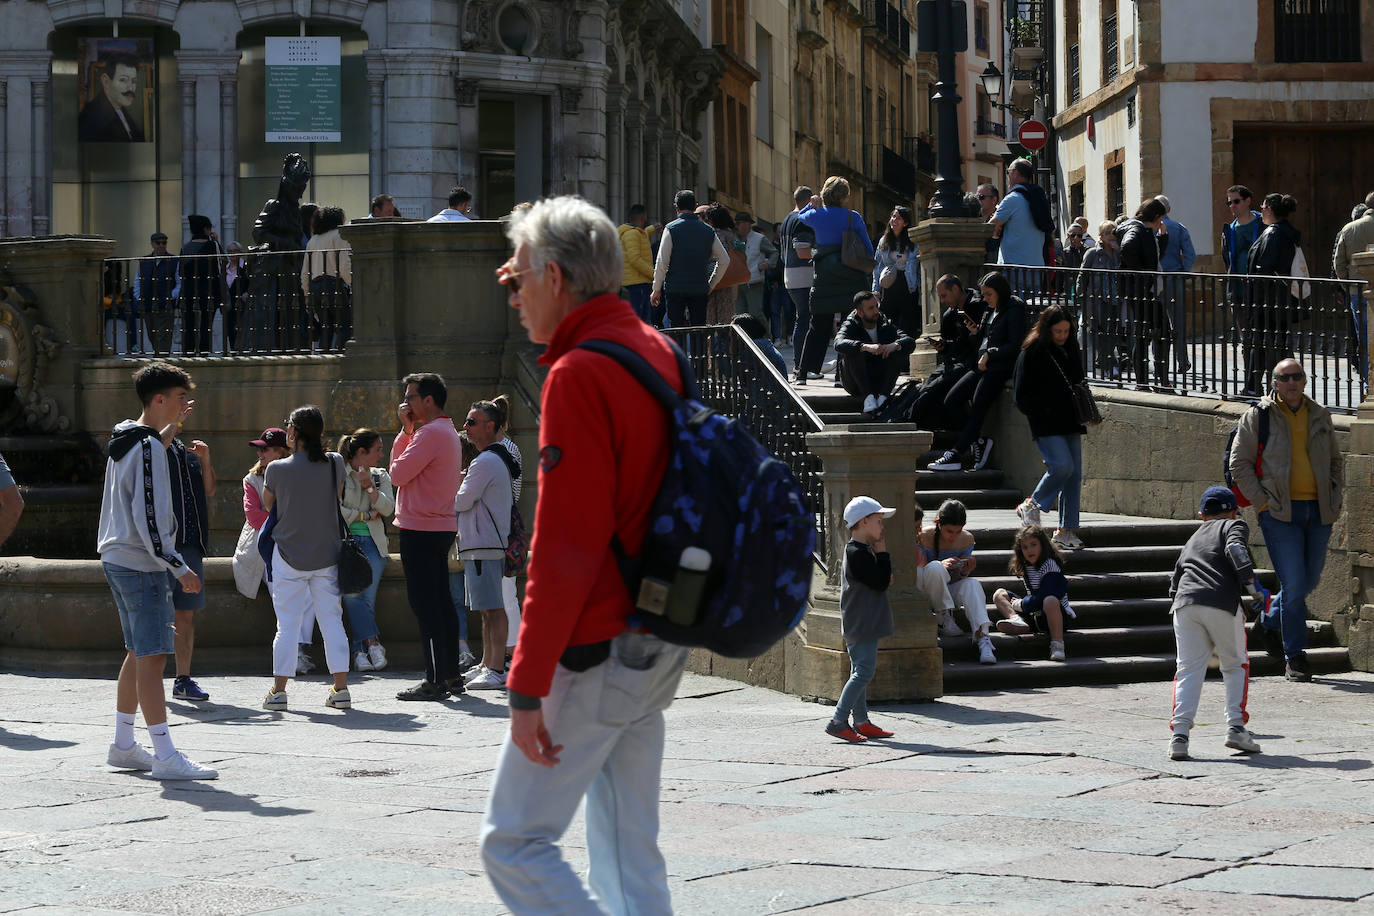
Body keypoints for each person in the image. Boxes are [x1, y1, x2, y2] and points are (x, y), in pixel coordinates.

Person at [484, 195, 692, 914]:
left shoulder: (577, 372)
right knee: (631, 855)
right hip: (659, 631)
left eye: (516, 280)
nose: (512, 297)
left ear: (554, 278)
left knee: (513, 844)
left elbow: (565, 546)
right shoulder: (655, 347)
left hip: (598, 644)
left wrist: (525, 684)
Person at [98, 362, 215, 780]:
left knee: (137, 651)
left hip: (118, 557)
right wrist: (179, 567)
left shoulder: (128, 437)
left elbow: (145, 456)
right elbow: (149, 517)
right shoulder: (146, 446)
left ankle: (124, 744)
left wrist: (168, 432)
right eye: (181, 397)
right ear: (160, 399)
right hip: (141, 562)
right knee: (153, 657)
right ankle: (165, 755)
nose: (187, 404)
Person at [1229, 358, 1342, 683]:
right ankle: (1295, 657)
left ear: (1305, 381)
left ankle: (1267, 621)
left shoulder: (1320, 414)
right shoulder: (1259, 415)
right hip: (1280, 513)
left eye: (1297, 377)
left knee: (1308, 582)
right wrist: (1262, 502)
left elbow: (1335, 460)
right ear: (1275, 383)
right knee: (1294, 584)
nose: (1292, 382)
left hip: (1319, 511)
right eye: (1285, 377)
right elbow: (1240, 463)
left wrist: (1335, 495)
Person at [259, 407, 351, 711]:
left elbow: (268, 502)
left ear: (294, 432)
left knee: (286, 625)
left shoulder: (276, 468)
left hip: (288, 554)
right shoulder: (335, 462)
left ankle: (279, 691)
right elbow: (338, 497)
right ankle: (340, 689)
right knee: (332, 620)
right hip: (327, 552)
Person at [1167, 485, 1266, 761]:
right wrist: (1254, 589)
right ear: (1234, 511)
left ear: (1202, 516)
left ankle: (1179, 737)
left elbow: (1174, 582)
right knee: (1235, 664)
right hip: (1220, 601)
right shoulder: (1233, 526)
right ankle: (1236, 727)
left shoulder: (1193, 538)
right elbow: (1236, 551)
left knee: (1187, 670)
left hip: (1184, 605)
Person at [389, 372, 465, 699]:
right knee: (442, 603)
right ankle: (451, 675)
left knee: (425, 605)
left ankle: (435, 679)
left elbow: (396, 473)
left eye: (411, 397)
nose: (406, 403)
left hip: (421, 528)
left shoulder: (429, 433)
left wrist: (406, 431)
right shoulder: (445, 431)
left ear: (428, 400)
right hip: (439, 526)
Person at [929, 271, 1026, 472]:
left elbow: (1015, 344)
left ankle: (956, 453)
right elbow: (984, 337)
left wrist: (990, 353)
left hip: (998, 367)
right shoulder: (990, 309)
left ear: (1000, 292)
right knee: (952, 400)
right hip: (980, 364)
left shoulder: (1014, 308)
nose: (986, 298)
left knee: (978, 406)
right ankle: (979, 442)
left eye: (989, 294)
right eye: (984, 294)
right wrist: (975, 333)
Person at [1013, 305, 1088, 551]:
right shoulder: (1032, 351)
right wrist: (1043, 410)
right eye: (1057, 331)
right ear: (1047, 329)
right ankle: (1032, 504)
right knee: (1062, 466)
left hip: (1069, 419)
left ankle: (1067, 530)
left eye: (1066, 330)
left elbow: (1077, 377)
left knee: (1074, 473)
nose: (1062, 336)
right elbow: (1021, 394)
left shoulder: (1070, 348)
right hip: (1045, 421)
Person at [825, 496, 898, 744]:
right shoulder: (858, 552)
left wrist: (882, 567)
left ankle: (861, 721)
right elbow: (880, 581)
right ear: (864, 521)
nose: (882, 526)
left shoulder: (861, 551)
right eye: (878, 521)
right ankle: (838, 720)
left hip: (863, 620)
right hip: (861, 621)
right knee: (864, 671)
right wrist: (884, 554)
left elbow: (882, 579)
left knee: (860, 669)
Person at [455, 398, 516, 691]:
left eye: (471, 422)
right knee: (486, 608)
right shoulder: (491, 458)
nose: (465, 427)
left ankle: (495, 668)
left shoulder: (486, 461)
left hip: (484, 543)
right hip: (483, 543)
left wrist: (455, 485)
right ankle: (486, 663)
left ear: (489, 426)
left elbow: (461, 500)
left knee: (493, 608)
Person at [162, 401, 216, 703]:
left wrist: (206, 461)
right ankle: (148, 679)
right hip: (161, 547)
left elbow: (209, 490)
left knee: (186, 614)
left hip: (190, 544)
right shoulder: (150, 445)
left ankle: (183, 679)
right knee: (157, 614)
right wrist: (174, 421)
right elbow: (158, 446)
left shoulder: (186, 452)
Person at [798, 177, 875, 385]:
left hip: (824, 277)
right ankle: (842, 376)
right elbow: (868, 249)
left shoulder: (816, 215)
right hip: (851, 277)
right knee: (848, 325)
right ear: (844, 196)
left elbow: (801, 215)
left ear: (824, 194)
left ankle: (803, 374)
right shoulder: (853, 217)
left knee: (817, 326)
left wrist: (811, 204)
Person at [337, 428, 394, 673]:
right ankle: (370, 645)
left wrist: (369, 487)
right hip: (347, 545)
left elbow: (389, 508)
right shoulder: (339, 474)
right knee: (352, 596)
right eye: (378, 449)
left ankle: (359, 652)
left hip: (373, 544)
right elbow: (336, 511)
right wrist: (366, 514)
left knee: (364, 599)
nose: (382, 454)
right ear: (361, 452)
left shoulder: (380, 476)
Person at [917, 499, 995, 665]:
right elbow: (920, 571)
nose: (953, 537)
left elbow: (960, 578)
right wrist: (942, 566)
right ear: (939, 523)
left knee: (973, 584)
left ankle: (984, 639)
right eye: (949, 531)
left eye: (958, 531)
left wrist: (965, 570)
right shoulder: (924, 535)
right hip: (928, 592)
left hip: (950, 589)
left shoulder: (967, 539)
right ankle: (943, 617)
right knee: (935, 567)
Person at [913, 275, 986, 431]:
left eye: (944, 295)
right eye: (940, 297)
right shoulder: (949, 315)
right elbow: (952, 347)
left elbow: (981, 341)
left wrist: (975, 334)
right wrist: (943, 347)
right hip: (954, 362)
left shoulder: (979, 305)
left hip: (972, 363)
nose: (942, 300)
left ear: (955, 289)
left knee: (938, 395)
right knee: (925, 389)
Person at [650, 189, 729, 327]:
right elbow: (724, 260)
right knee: (699, 329)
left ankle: (678, 349)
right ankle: (699, 349)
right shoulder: (708, 230)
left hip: (675, 288)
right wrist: (711, 284)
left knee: (676, 328)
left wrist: (656, 288)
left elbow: (662, 261)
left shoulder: (670, 229)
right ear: (695, 207)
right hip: (699, 287)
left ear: (676, 207)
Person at [993, 524, 1073, 662]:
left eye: (1033, 544)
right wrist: (1022, 606)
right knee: (999, 594)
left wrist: (1021, 604)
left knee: (1050, 600)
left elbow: (1044, 596)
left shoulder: (1050, 565)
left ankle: (1057, 644)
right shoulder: (1026, 566)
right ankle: (1018, 621)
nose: (1029, 550)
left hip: (1056, 616)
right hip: (1035, 613)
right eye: (1025, 547)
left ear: (1042, 545)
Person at [1117, 198, 1172, 391]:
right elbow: (1129, 248)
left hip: (1142, 291)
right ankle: (1157, 380)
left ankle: (1150, 380)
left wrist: (1162, 239)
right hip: (1142, 292)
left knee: (1150, 333)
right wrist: (1141, 275)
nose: (1161, 223)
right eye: (1161, 219)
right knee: (1158, 332)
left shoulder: (1143, 231)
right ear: (1156, 217)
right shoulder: (1138, 230)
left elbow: (1151, 256)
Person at [835, 290, 916, 415]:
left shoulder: (884, 322)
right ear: (860, 313)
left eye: (876, 306)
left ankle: (883, 397)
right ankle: (868, 398)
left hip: (879, 381)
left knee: (897, 348)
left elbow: (910, 341)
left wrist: (895, 345)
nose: (876, 311)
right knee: (854, 350)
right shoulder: (850, 324)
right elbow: (838, 343)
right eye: (871, 308)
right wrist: (864, 346)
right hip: (856, 383)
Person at [233, 427, 288, 599]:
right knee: (282, 599)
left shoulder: (295, 474)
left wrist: (271, 513)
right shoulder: (251, 479)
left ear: (280, 452)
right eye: (259, 448)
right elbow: (254, 518)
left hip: (292, 546)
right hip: (262, 548)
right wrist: (286, 518)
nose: (259, 452)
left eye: (265, 449)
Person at [1221, 185, 1266, 394]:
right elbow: (1226, 259)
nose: (1232, 206)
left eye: (1236, 201)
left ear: (1248, 201)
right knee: (1246, 338)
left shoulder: (1263, 225)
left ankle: (1264, 382)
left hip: (1260, 292)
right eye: (1229, 202)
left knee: (1262, 338)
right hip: (1238, 292)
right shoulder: (1229, 229)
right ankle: (1251, 384)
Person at [1333, 191, 1374, 385]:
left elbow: (1338, 264)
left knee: (1364, 340)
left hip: (1358, 291)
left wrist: (1348, 285)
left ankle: (1369, 383)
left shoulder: (1348, 229)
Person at [1154, 195, 1196, 373]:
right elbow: (1190, 254)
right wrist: (1183, 272)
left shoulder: (1150, 228)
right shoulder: (1179, 228)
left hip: (1156, 279)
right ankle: (1182, 360)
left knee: (1156, 322)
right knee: (1178, 322)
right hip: (1175, 277)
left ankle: (1159, 362)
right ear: (1168, 209)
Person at [300, 205, 352, 350]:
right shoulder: (339, 235)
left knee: (325, 329)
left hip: (315, 287)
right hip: (332, 285)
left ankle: (324, 360)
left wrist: (306, 293)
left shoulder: (313, 240)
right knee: (343, 326)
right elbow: (344, 267)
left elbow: (305, 272)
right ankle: (342, 360)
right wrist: (353, 283)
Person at [991, 159, 1050, 273]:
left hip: (1014, 269)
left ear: (1016, 173)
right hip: (1037, 268)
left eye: (1008, 171)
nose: (1007, 175)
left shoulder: (1012, 198)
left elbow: (991, 228)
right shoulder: (1040, 197)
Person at [1079, 220, 1122, 376]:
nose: (1112, 236)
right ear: (1101, 236)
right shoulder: (1093, 253)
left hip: (1115, 299)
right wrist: (1082, 299)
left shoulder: (1119, 253)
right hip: (1099, 299)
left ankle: (1104, 361)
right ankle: (1109, 364)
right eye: (1108, 233)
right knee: (1101, 332)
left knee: (1112, 331)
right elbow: (1082, 277)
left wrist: (1120, 252)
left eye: (1113, 233)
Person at [178, 215, 223, 355]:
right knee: (206, 324)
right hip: (209, 291)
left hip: (189, 291)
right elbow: (221, 265)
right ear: (206, 229)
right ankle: (204, 352)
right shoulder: (212, 245)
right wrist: (216, 241)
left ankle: (188, 352)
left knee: (189, 323)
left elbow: (180, 272)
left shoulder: (185, 248)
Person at [872, 205, 920, 338]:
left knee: (908, 325)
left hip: (908, 284)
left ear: (905, 223)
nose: (894, 220)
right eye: (893, 216)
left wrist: (921, 288)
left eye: (898, 218)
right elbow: (877, 266)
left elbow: (918, 268)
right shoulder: (884, 241)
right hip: (889, 284)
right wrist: (875, 289)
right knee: (886, 322)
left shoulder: (914, 242)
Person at [780, 186, 816, 357]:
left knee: (800, 319)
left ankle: (801, 363)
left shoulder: (787, 219)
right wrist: (822, 253)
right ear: (809, 200)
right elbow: (802, 252)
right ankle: (802, 364)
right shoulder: (804, 219)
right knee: (804, 320)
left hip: (790, 276)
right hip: (804, 276)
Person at [79, 52, 145, 142]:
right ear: (106, 81)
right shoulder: (91, 117)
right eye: (123, 80)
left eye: (134, 81)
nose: (130, 87)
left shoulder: (120, 109)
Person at [136, 232, 178, 354]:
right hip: (148, 304)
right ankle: (159, 356)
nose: (161, 245)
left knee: (163, 336)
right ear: (152, 244)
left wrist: (170, 296)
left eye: (164, 243)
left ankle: (161, 359)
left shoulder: (173, 261)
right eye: (158, 243)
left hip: (165, 305)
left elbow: (179, 282)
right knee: (152, 335)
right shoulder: (145, 261)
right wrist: (139, 297)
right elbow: (138, 281)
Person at [735, 211, 778, 324]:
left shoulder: (759, 238)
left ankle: (765, 339)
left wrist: (767, 264)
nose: (741, 226)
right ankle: (744, 340)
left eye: (744, 223)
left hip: (754, 280)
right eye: (739, 223)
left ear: (749, 224)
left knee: (755, 313)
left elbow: (774, 252)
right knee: (739, 315)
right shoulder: (733, 238)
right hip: (737, 283)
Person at [703, 203, 742, 325]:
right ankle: (725, 342)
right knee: (726, 316)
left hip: (710, 278)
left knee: (709, 318)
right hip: (728, 280)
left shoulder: (710, 234)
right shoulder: (732, 236)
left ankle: (710, 343)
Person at [618, 203, 655, 323]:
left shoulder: (634, 232)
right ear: (643, 217)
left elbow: (642, 235)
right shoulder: (632, 234)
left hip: (637, 283)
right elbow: (635, 259)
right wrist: (654, 274)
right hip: (638, 284)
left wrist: (652, 229)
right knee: (640, 321)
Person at [977, 184, 1002, 263]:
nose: (978, 200)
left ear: (994, 200)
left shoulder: (1001, 218)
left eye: (981, 197)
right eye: (976, 197)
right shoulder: (975, 217)